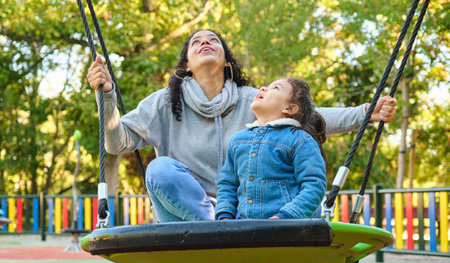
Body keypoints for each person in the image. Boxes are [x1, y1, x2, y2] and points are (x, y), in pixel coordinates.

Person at [87, 29, 397, 223]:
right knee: (159, 169)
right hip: (189, 214)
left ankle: (229, 227)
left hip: (244, 211)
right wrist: (108, 97)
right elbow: (116, 142)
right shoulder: (165, 102)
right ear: (186, 66)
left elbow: (310, 117)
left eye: (213, 40)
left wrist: (366, 113)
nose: (205, 42)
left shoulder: (252, 100)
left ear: (226, 60)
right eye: (196, 41)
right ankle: (216, 229)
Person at [215, 78, 327, 220]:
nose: (262, 88)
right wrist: (225, 216)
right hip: (245, 229)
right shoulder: (238, 140)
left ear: (290, 108)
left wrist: (285, 216)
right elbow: (227, 183)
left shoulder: (300, 140)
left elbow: (314, 185)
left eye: (275, 88)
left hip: (288, 230)